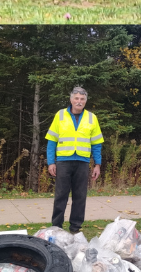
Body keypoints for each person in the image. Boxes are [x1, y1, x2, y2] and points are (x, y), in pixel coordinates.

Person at [44, 86, 103, 234]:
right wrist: (51, 162)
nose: (79, 101)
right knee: (61, 195)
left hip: (82, 162)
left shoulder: (92, 118)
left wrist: (97, 164)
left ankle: (75, 228)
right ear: (71, 99)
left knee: (80, 196)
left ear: (85, 101)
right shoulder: (60, 115)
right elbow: (51, 141)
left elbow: (96, 144)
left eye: (82, 99)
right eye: (76, 98)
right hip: (63, 161)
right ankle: (56, 227)